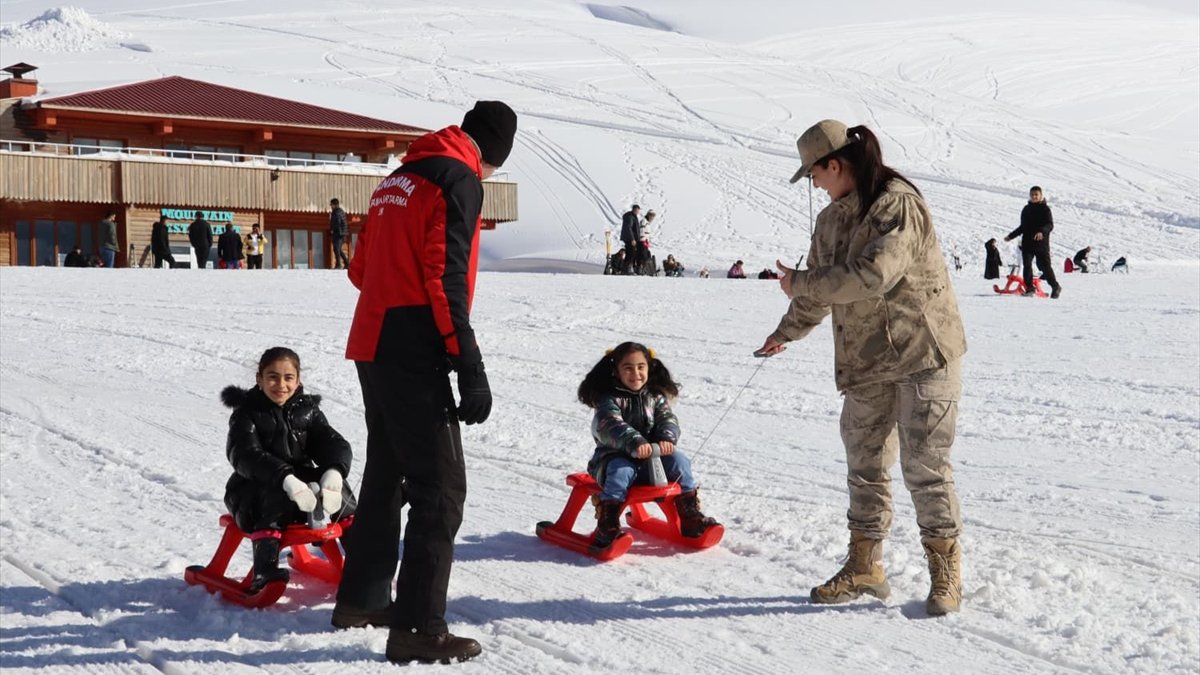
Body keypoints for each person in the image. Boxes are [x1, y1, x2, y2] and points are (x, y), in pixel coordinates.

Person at [757, 119, 968, 616]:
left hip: (922, 354)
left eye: (814, 174)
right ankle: (865, 567)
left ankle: (945, 573)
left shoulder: (896, 203)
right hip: (868, 359)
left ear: (834, 165)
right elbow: (817, 290)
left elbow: (872, 275)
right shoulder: (830, 221)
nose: (813, 185)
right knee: (866, 465)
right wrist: (785, 332)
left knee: (925, 467)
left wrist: (803, 284)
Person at [337, 100, 517, 664]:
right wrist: (468, 361)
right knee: (440, 490)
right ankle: (417, 627)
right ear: (493, 151)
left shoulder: (398, 177)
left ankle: (363, 600)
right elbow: (446, 274)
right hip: (413, 341)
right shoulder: (458, 179)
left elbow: (359, 270)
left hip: (372, 338)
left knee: (388, 474)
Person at [221, 346, 358, 594]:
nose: (280, 385)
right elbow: (244, 455)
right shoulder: (247, 414)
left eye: (288, 378)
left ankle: (364, 559)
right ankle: (265, 570)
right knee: (274, 496)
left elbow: (330, 441)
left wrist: (334, 472)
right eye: (272, 377)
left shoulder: (307, 410)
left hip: (304, 492)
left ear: (298, 380)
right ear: (259, 379)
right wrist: (286, 478)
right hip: (251, 493)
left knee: (343, 491)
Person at [577, 342, 719, 549]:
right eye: (628, 368)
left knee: (680, 461)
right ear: (616, 372)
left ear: (649, 368)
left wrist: (666, 438)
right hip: (612, 460)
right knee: (621, 471)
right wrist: (636, 442)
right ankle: (607, 524)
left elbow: (667, 419)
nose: (636, 373)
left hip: (653, 462)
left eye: (640, 367)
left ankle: (690, 516)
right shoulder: (608, 400)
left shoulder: (655, 396)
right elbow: (609, 424)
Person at [1005, 186, 1061, 298]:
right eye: (1032, 195)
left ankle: (1055, 286)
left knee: (1045, 266)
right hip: (1027, 243)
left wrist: (1042, 232)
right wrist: (1011, 236)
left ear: (1041, 195)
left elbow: (1049, 225)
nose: (1034, 196)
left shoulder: (1045, 209)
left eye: (1036, 194)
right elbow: (1023, 227)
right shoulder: (1026, 209)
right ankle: (1029, 288)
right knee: (1027, 265)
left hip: (1041, 244)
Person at [619, 204, 642, 274]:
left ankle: (626, 269)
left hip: (630, 238)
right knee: (631, 253)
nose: (638, 212)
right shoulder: (630, 216)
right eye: (638, 210)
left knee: (631, 253)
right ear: (635, 209)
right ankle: (627, 269)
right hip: (630, 239)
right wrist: (632, 239)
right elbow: (629, 228)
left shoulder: (632, 216)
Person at [330, 198, 351, 270]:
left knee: (336, 249)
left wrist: (333, 230)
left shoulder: (336, 212)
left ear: (335, 205)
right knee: (338, 249)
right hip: (342, 233)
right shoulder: (340, 211)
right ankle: (347, 264)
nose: (331, 206)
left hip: (339, 233)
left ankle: (338, 265)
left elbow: (337, 222)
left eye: (331, 205)